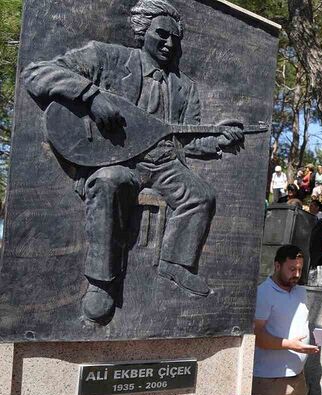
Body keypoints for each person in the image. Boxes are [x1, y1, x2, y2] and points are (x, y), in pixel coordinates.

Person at [22, 0, 245, 323]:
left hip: (163, 163)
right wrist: (91, 96)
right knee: (110, 181)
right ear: (143, 32)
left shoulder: (184, 88)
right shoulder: (108, 57)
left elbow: (189, 141)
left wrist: (219, 140)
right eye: (162, 35)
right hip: (115, 160)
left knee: (201, 196)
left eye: (175, 39)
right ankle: (101, 282)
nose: (169, 44)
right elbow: (36, 73)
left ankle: (175, 264)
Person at [251, 245, 320, 395]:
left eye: (299, 269)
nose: (296, 274)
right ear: (277, 266)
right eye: (292, 269)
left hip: (298, 378)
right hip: (269, 380)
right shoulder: (263, 293)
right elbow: (257, 335)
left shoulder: (300, 292)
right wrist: (290, 345)